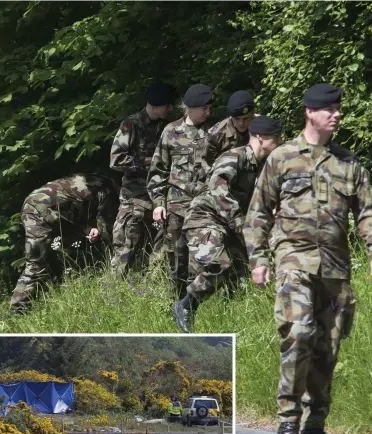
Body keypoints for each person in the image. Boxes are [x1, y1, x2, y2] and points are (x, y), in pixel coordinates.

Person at [243, 83, 372, 434]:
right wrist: (258, 259)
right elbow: (258, 212)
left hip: (335, 267)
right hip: (294, 258)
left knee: (328, 348)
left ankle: (315, 427)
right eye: (330, 109)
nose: (337, 114)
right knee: (299, 331)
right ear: (310, 112)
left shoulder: (349, 163)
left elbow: (367, 211)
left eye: (338, 109)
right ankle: (288, 417)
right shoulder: (283, 157)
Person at [174, 116, 284, 332]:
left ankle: (234, 324)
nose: (279, 142)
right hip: (205, 217)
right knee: (219, 263)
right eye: (276, 137)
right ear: (260, 137)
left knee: (242, 275)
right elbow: (217, 188)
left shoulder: (265, 166)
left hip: (233, 224)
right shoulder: (235, 156)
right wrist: (241, 224)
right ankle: (185, 305)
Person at [10, 174, 119, 312]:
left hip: (34, 205)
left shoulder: (94, 181)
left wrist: (86, 229)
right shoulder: (107, 189)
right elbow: (106, 227)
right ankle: (18, 310)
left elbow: (69, 209)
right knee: (36, 265)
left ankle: (58, 287)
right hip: (42, 209)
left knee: (55, 255)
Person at [147, 83, 214, 298]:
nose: (208, 112)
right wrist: (158, 204)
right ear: (190, 107)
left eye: (209, 108)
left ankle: (195, 304)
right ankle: (172, 303)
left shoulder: (213, 132)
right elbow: (158, 170)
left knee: (202, 259)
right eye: (203, 108)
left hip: (204, 206)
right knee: (175, 259)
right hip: (176, 206)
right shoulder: (171, 131)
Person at [110, 82, 176, 278]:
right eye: (167, 105)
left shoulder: (165, 127)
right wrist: (148, 161)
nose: (170, 109)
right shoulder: (131, 125)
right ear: (155, 104)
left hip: (159, 197)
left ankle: (152, 289)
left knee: (160, 250)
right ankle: (113, 294)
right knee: (125, 249)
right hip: (134, 198)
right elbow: (116, 160)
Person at [205, 90, 256, 162]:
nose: (241, 123)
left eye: (246, 118)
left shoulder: (262, 128)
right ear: (231, 116)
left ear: (252, 115)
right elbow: (206, 165)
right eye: (237, 119)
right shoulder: (216, 134)